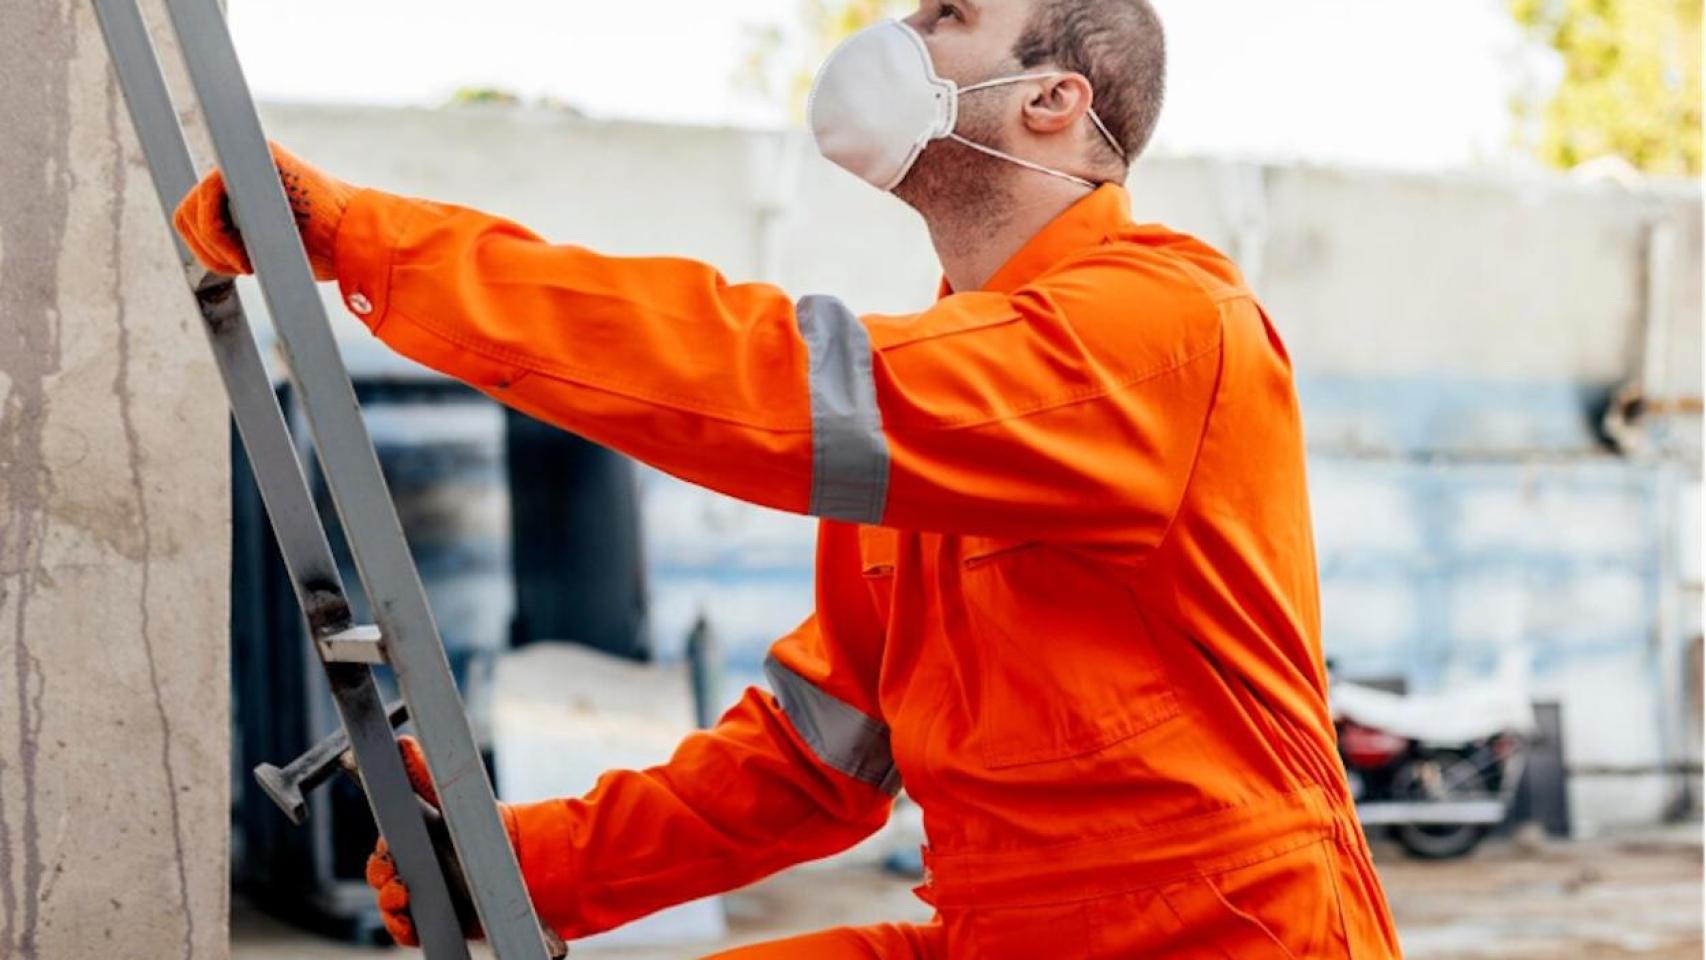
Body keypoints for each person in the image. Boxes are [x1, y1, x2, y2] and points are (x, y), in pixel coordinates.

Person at [177, 0, 1404, 956]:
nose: (897, 35)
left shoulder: (1156, 326)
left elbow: (756, 383)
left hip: (1220, 934)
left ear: (1050, 98)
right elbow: (813, 763)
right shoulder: (958, 401)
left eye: (944, 17)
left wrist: (378, 250)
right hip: (1000, 934)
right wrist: (518, 865)